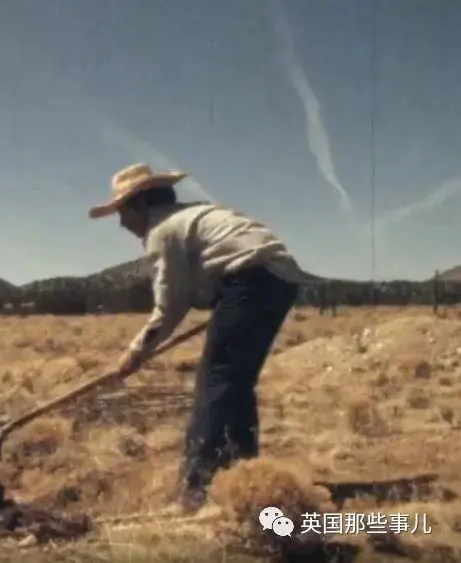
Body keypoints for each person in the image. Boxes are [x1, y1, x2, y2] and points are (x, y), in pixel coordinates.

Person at [88, 163, 304, 513]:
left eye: (122, 211)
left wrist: (136, 352)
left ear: (140, 205)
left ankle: (199, 490)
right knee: (234, 382)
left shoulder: (163, 229)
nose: (122, 222)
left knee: (216, 382)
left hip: (251, 279)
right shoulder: (190, 217)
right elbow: (198, 286)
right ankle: (242, 475)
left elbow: (171, 303)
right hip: (276, 278)